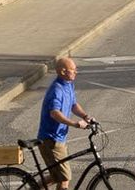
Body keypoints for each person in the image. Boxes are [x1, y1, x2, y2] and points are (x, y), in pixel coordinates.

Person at [36, 56, 93, 190]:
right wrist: (75, 124)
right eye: (73, 69)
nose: (76, 72)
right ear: (63, 71)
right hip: (51, 140)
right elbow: (54, 113)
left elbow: (73, 104)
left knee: (56, 176)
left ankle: (32, 187)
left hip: (59, 139)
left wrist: (85, 116)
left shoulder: (68, 84)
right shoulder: (57, 90)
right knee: (64, 178)